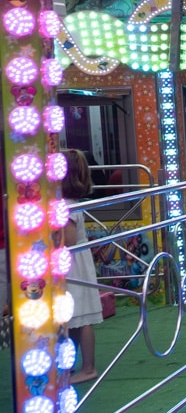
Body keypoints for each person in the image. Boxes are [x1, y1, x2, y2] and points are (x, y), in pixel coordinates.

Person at [63, 149, 103, 384]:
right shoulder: (71, 203)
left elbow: (67, 239)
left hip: (72, 264)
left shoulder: (65, 206)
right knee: (76, 319)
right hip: (77, 261)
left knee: (79, 318)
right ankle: (73, 365)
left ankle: (88, 367)